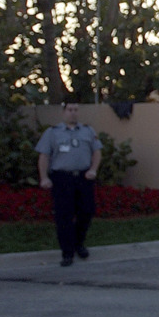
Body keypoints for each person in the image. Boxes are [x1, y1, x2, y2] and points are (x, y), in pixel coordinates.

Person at [35, 101, 103, 267]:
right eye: (70, 110)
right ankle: (67, 252)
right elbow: (44, 157)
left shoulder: (88, 131)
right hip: (62, 179)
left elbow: (97, 152)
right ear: (64, 112)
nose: (73, 113)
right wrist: (44, 178)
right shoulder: (52, 133)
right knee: (64, 216)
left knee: (87, 211)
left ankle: (79, 244)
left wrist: (93, 169)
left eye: (76, 110)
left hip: (83, 178)